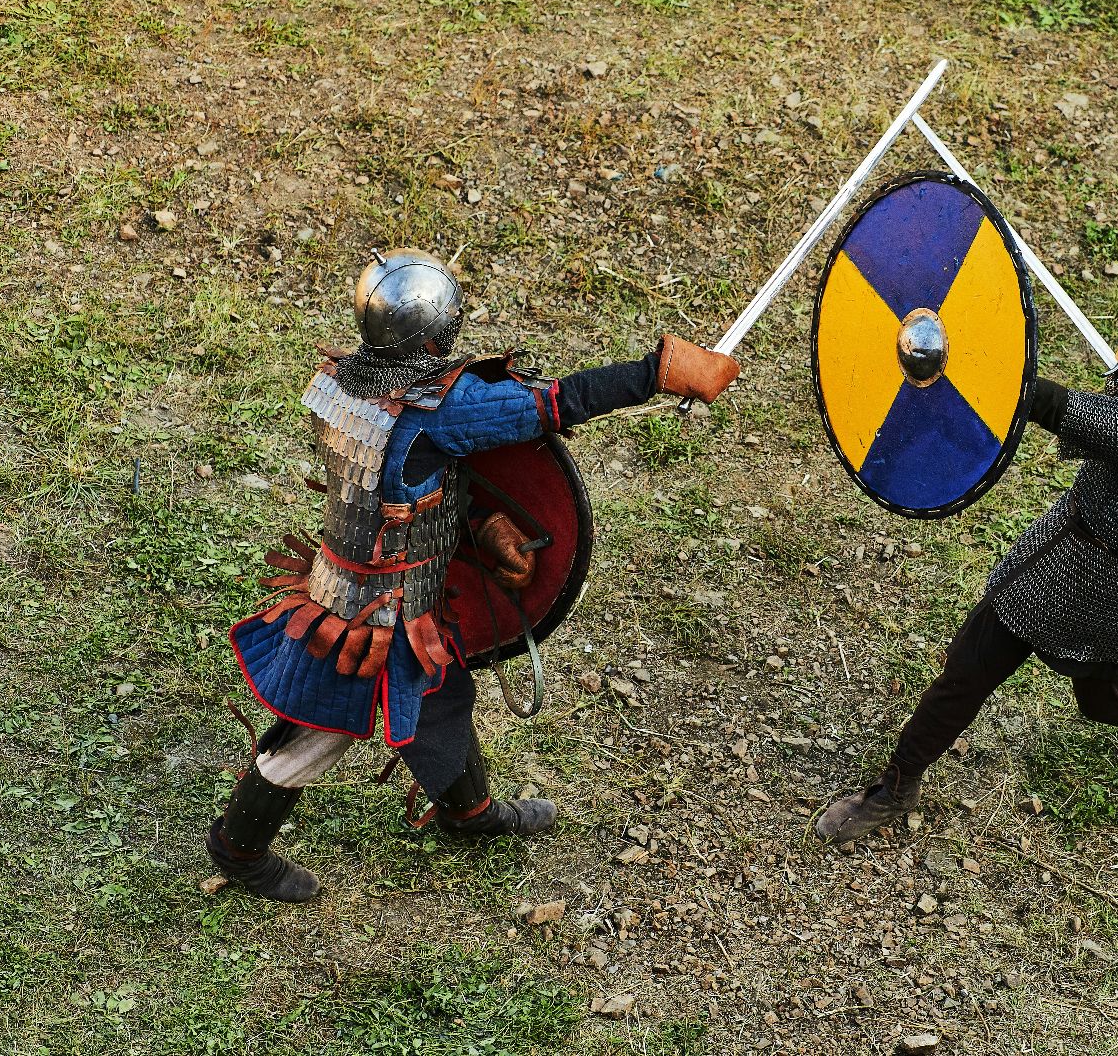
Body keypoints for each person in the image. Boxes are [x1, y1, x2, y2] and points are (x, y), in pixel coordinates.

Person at [210, 248, 739, 901]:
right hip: (373, 612)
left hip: (368, 583)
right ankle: (238, 849)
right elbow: (554, 404)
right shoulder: (443, 408)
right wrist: (657, 372)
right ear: (434, 336)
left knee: (442, 692)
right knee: (320, 733)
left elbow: (405, 479)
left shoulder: (344, 380)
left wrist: (480, 522)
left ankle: (469, 813)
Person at [816, 256, 1118, 844]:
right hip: (1062, 550)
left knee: (1104, 700)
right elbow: (1114, 407)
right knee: (967, 668)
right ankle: (895, 788)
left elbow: (1058, 407)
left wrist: (970, 360)